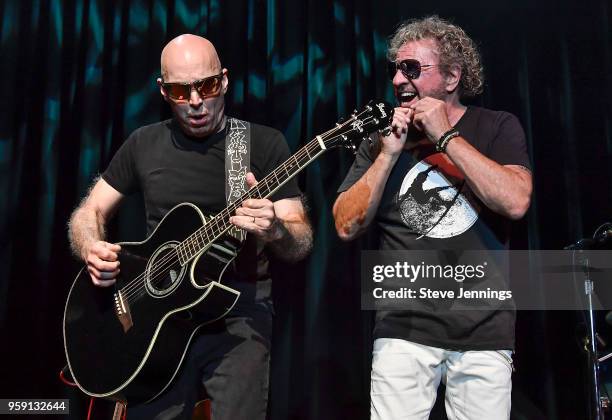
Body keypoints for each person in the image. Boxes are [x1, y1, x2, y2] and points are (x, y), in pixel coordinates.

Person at [68, 34, 313, 420]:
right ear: (163, 91)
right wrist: (90, 247)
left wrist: (276, 230)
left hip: (238, 310)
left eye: (208, 86)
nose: (197, 101)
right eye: (182, 91)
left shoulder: (261, 144)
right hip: (155, 317)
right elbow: (90, 211)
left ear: (225, 80)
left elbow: (299, 239)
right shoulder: (143, 144)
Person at [333, 16, 532, 420]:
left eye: (412, 69)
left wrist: (445, 137)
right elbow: (344, 225)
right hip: (403, 330)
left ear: (452, 76)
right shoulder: (381, 141)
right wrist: (388, 154)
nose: (397, 80)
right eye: (395, 70)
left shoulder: (496, 126)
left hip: (483, 328)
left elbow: (514, 201)